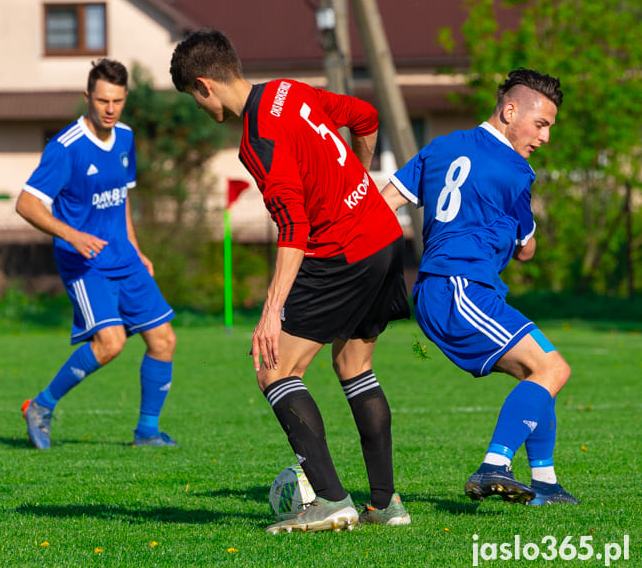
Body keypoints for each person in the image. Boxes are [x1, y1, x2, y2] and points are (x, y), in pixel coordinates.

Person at [170, 30, 411, 533]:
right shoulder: (290, 90)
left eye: (193, 99)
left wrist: (270, 309)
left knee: (274, 369)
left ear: (203, 86)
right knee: (354, 364)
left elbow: (294, 228)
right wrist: (359, 184)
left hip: (342, 250)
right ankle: (384, 506)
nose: (198, 108)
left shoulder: (257, 138)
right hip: (385, 238)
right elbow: (366, 118)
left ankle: (330, 499)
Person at [381, 68, 577, 506]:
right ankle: (494, 465)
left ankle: (544, 482)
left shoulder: (439, 147)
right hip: (461, 287)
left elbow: (382, 204)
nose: (544, 138)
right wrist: (519, 231)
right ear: (510, 110)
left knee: (540, 370)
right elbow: (527, 251)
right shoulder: (515, 169)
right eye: (540, 124)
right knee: (554, 370)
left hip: (444, 288)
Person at [16, 59, 178, 450]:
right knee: (111, 342)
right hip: (85, 264)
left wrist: (136, 248)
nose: (110, 108)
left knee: (164, 341)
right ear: (87, 97)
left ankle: (147, 432)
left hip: (123, 257)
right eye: (103, 100)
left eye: (118, 101)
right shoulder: (65, 148)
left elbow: (121, 200)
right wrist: (73, 235)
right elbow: (26, 204)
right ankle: (41, 405)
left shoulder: (124, 138)